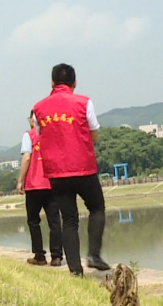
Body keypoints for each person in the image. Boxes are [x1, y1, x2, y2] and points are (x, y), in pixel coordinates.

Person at [32, 64, 110, 276]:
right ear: (75, 83)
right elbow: (94, 134)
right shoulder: (84, 102)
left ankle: (75, 270)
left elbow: (41, 135)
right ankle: (93, 254)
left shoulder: (38, 108)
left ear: (52, 83)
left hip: (56, 173)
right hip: (83, 167)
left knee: (69, 219)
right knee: (96, 207)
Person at [17, 110, 64, 267]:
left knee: (33, 221)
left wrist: (20, 180)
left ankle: (39, 255)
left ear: (32, 121)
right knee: (54, 221)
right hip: (52, 183)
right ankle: (56, 256)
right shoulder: (52, 134)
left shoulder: (28, 136)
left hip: (34, 185)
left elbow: (27, 157)